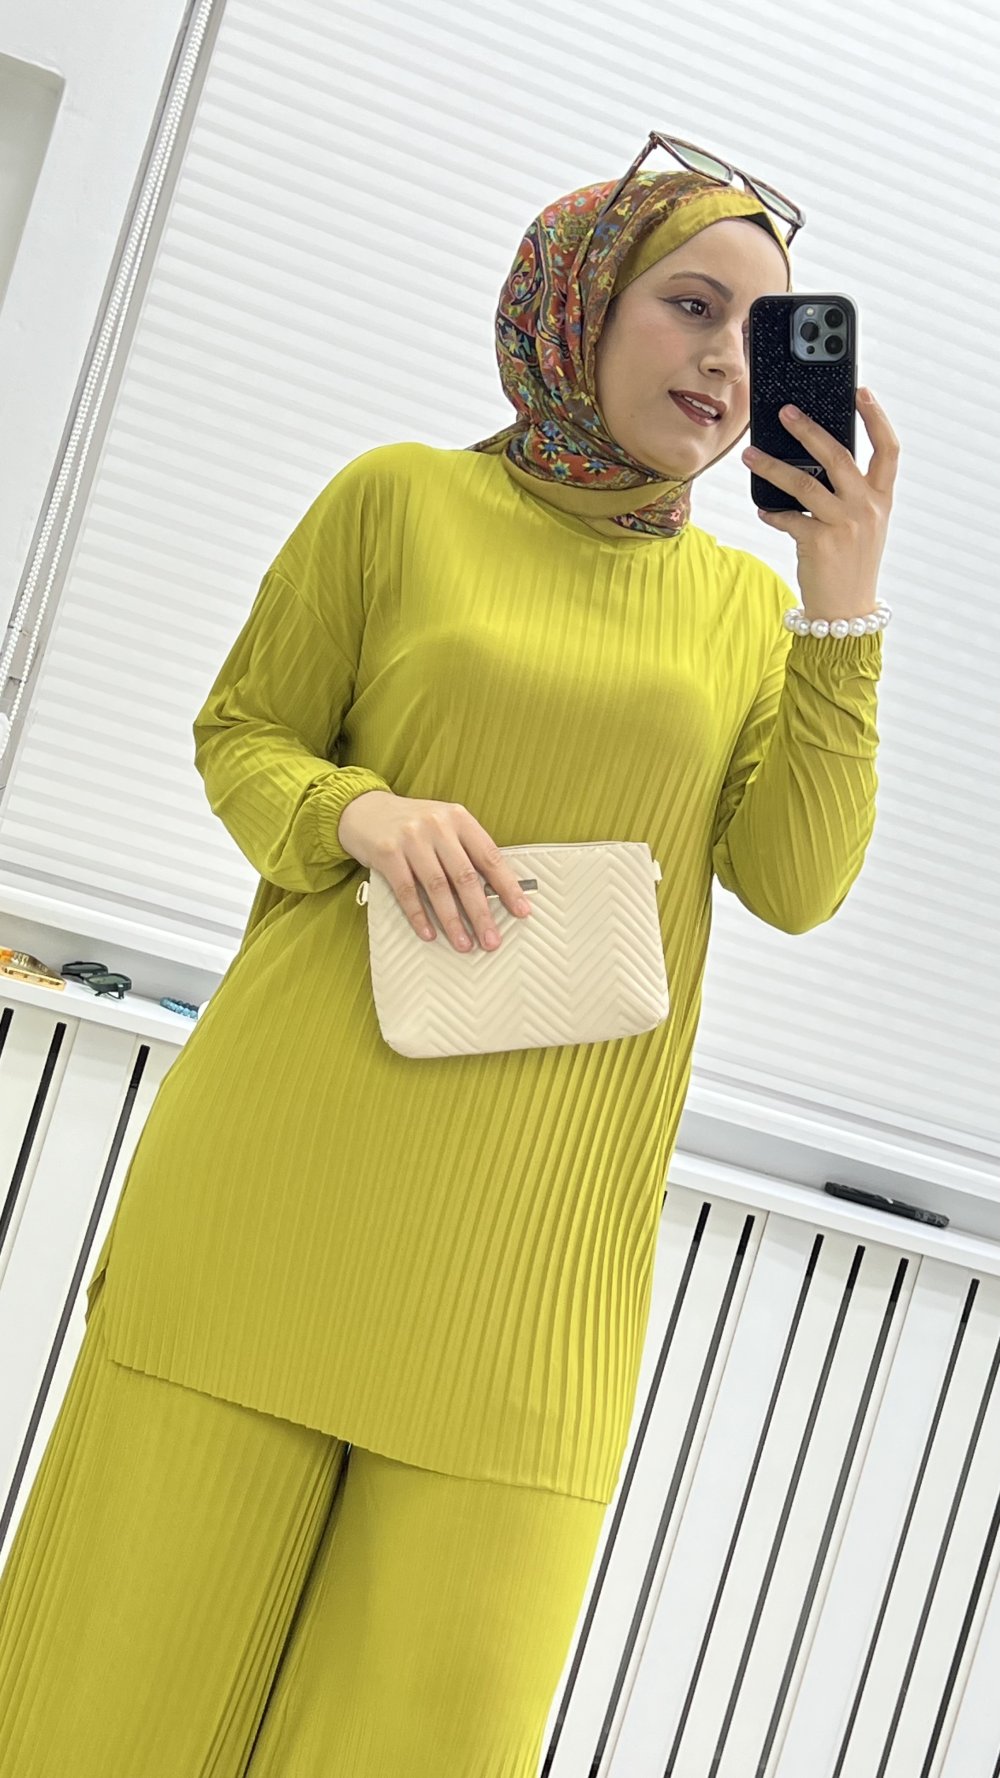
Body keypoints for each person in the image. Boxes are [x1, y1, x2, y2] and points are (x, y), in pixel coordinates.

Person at [0, 148, 887, 1776]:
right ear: (578, 305)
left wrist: (841, 599)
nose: (724, 360)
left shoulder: (745, 617)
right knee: (101, 1718)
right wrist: (360, 811)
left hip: (530, 1285)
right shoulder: (398, 500)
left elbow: (798, 880)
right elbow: (243, 736)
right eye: (693, 304)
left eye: (762, 335)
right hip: (271, 1202)